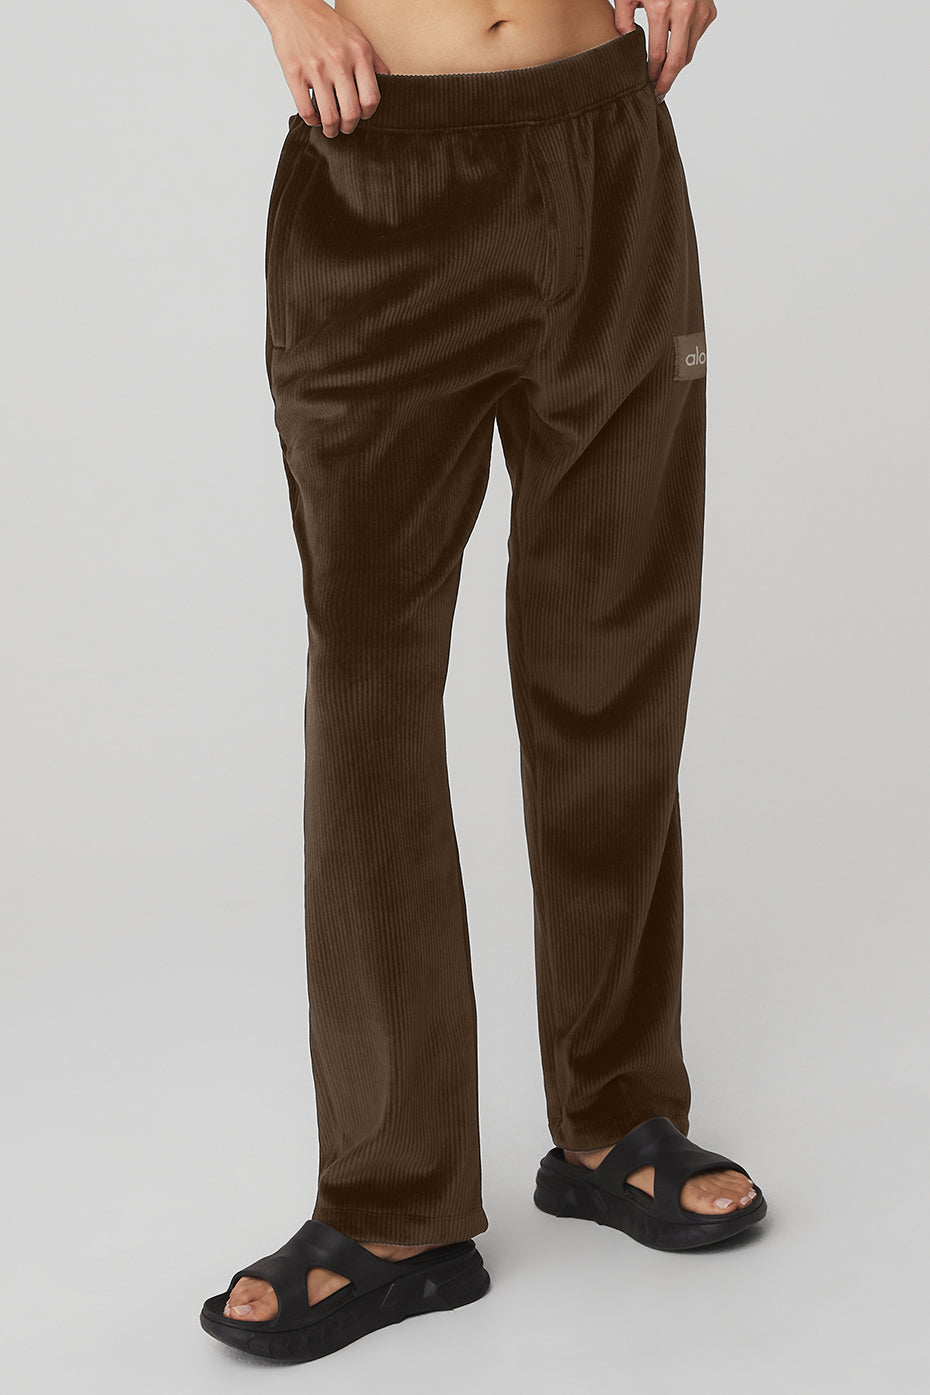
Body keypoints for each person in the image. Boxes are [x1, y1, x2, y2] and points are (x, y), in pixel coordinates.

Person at [200, 0, 767, 1363]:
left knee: (613, 647)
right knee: (369, 688)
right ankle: (394, 1198)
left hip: (606, 148)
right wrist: (287, 9)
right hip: (380, 168)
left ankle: (615, 1117)